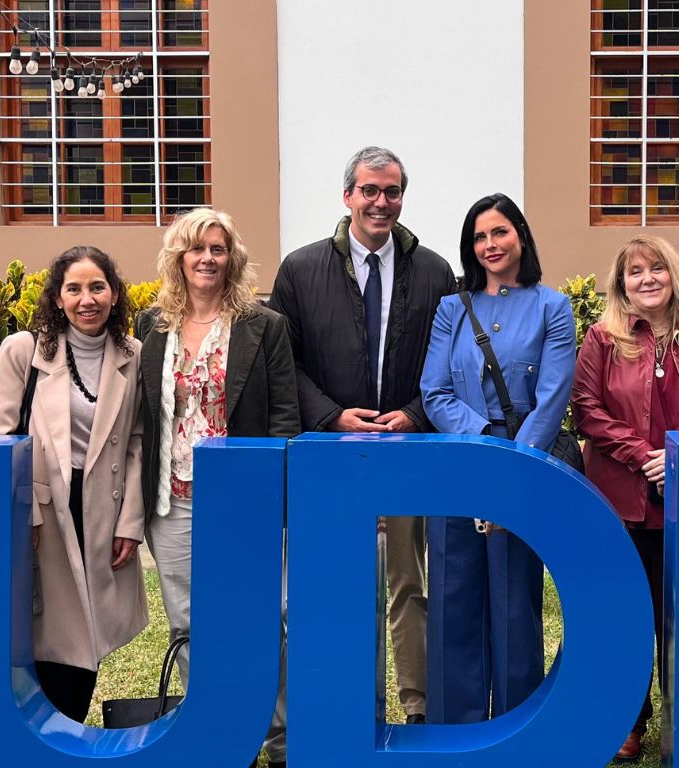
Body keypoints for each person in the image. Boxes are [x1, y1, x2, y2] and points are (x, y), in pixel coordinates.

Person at [268, 146, 455, 725]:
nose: (381, 202)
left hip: (406, 451)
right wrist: (331, 417)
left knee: (409, 584)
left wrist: (415, 414)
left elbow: (450, 361)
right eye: (369, 190)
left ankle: (418, 709)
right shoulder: (300, 269)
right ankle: (342, 712)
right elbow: (284, 363)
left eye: (391, 191)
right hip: (332, 455)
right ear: (347, 195)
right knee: (334, 585)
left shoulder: (434, 272)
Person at [138, 208, 299, 767]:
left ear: (232, 259)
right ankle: (220, 734)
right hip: (172, 500)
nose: (207, 258)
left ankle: (281, 740)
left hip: (244, 501)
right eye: (196, 248)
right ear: (177, 257)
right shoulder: (151, 325)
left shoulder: (264, 325)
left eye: (218, 249)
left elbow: (284, 418)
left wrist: (272, 494)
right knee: (188, 622)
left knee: (266, 618)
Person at [572, 234, 679, 761]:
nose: (647, 279)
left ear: (674, 275)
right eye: (635, 272)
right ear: (622, 284)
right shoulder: (603, 338)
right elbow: (586, 408)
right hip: (622, 496)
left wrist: (678, 458)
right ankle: (628, 719)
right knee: (627, 615)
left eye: (657, 269)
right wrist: (644, 455)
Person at [419, 193, 576, 724]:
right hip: (459, 465)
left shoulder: (553, 307)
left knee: (513, 603)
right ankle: (454, 732)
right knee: (452, 598)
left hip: (523, 466)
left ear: (521, 237)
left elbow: (552, 399)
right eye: (479, 237)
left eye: (500, 232)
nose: (490, 244)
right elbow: (434, 392)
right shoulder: (452, 308)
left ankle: (517, 725)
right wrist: (486, 444)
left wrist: (511, 469)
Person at [0, 246, 147, 723]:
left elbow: (137, 439)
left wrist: (131, 520)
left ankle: (63, 731)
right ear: (57, 297)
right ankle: (46, 731)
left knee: (85, 634)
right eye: (73, 289)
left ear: (115, 295)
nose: (86, 299)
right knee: (49, 631)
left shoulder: (133, 354)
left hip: (102, 510)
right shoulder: (24, 350)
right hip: (42, 509)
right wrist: (24, 511)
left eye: (97, 287)